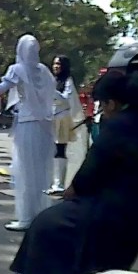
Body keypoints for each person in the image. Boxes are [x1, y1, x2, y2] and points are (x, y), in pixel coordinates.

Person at [9, 73, 138, 274]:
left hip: (127, 213)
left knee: (50, 223)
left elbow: (90, 174)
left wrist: (70, 191)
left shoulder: (120, 125)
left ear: (111, 104)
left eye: (101, 105)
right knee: (58, 218)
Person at [0, 35, 59, 232]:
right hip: (44, 127)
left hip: (26, 124)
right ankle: (39, 214)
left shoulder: (17, 69)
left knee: (25, 172)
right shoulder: (44, 71)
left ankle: (25, 218)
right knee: (41, 173)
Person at [48, 55, 84, 194]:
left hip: (62, 118)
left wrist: (53, 92)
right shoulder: (51, 80)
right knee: (50, 151)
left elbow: (67, 99)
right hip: (50, 118)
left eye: (58, 64)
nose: (56, 66)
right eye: (54, 64)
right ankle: (50, 181)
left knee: (60, 150)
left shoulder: (68, 81)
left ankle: (59, 183)